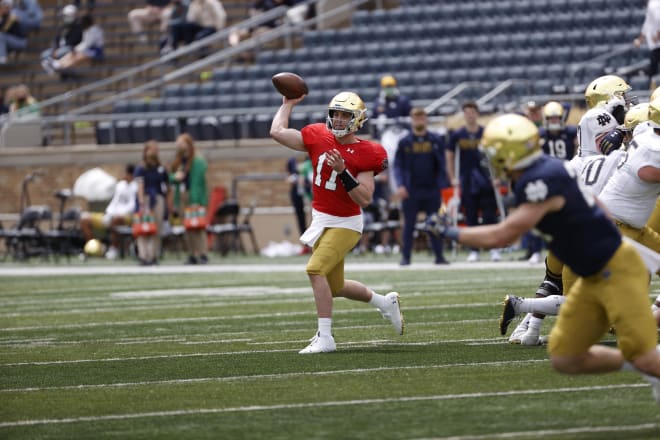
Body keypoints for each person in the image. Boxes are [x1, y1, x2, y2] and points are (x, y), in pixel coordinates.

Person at [426, 113, 660, 402]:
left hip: (614, 269)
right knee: (566, 356)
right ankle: (646, 367)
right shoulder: (546, 169)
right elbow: (598, 202)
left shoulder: (539, 179)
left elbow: (503, 235)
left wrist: (451, 232)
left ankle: (648, 364)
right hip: (594, 270)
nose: (490, 158)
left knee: (643, 354)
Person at [504, 76, 637, 345]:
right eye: (622, 96)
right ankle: (523, 309)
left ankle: (528, 329)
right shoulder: (616, 160)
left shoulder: (575, 164)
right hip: (592, 236)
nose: (627, 101)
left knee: (552, 280)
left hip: (565, 232)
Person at [270, 90, 404, 354]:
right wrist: (287, 104)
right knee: (335, 286)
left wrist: (343, 172)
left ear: (358, 119)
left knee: (314, 269)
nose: (340, 120)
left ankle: (326, 337)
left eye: (345, 115)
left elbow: (364, 198)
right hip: (321, 220)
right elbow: (277, 131)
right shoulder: (318, 135)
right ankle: (384, 302)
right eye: (336, 114)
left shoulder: (367, 151)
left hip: (346, 222)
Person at [446, 101, 501, 262]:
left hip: (486, 179)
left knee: (489, 215)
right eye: (467, 112)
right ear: (464, 115)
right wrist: (452, 177)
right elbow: (449, 155)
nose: (470, 115)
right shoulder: (458, 135)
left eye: (472, 112)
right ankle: (474, 250)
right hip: (468, 179)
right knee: (471, 216)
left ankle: (494, 249)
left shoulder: (486, 133)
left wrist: (497, 176)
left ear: (477, 114)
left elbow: (495, 155)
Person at [394, 107, 449, 266]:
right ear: (412, 120)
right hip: (411, 190)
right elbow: (398, 166)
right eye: (416, 118)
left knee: (435, 223)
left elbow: (441, 164)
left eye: (421, 118)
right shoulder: (405, 142)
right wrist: (401, 185)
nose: (419, 121)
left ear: (425, 119)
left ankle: (439, 256)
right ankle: (406, 257)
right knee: (409, 225)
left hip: (431, 189)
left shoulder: (435, 140)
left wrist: (442, 184)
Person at [79, 164, 138, 260]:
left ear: (130, 175)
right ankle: (94, 248)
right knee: (84, 219)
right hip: (112, 215)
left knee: (116, 219)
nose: (123, 175)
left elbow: (133, 205)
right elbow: (114, 202)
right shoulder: (120, 185)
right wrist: (109, 213)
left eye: (125, 173)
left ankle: (114, 249)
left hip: (128, 217)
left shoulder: (136, 187)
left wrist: (118, 214)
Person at [170, 133, 209, 265]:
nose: (179, 146)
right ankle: (192, 254)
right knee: (187, 228)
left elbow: (198, 183)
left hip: (194, 198)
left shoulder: (197, 161)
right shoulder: (179, 161)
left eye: (182, 143)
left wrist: (196, 201)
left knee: (198, 227)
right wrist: (174, 177)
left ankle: (203, 254)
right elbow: (169, 177)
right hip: (181, 197)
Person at [134, 140, 172, 265]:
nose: (155, 151)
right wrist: (141, 203)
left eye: (156, 149)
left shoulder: (160, 168)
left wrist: (169, 203)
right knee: (144, 228)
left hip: (158, 199)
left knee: (157, 228)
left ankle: (153, 255)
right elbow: (140, 186)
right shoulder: (141, 168)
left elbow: (167, 185)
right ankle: (143, 255)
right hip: (146, 198)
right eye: (152, 149)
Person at [371, 75, 412, 139]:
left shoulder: (403, 100)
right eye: (387, 87)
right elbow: (374, 118)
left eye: (390, 86)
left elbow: (409, 116)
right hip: (385, 132)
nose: (389, 88)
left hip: (402, 130)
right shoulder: (379, 101)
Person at [634, 0, 660, 85]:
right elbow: (647, 24)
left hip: (657, 45)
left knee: (653, 73)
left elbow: (658, 18)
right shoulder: (651, 5)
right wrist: (640, 40)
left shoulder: (654, 4)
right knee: (653, 73)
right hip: (655, 46)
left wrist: (658, 34)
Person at [0, 0, 28, 65]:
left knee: (0, 36)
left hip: (20, 41)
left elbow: (3, 29)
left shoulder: (12, 16)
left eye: (2, 7)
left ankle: (2, 58)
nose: (1, 9)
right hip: (11, 40)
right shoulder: (4, 17)